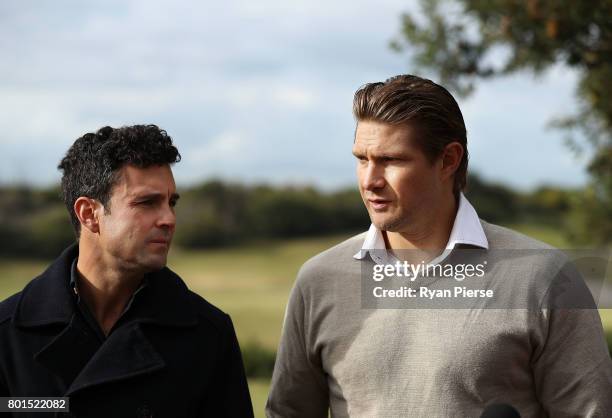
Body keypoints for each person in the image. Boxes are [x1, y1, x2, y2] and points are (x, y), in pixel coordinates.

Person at [266, 75, 612, 417]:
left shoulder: (544, 277)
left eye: (391, 160)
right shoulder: (318, 280)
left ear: (448, 160)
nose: (370, 180)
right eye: (361, 159)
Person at [0, 125, 254, 417]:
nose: (169, 219)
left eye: (171, 203)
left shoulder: (208, 334)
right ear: (88, 214)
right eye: (147, 202)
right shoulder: (8, 334)